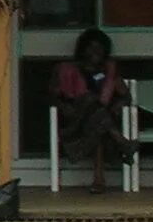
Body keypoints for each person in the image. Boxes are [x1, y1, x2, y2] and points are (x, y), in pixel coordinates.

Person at [52, 27, 135, 194]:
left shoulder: (109, 71)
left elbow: (126, 96)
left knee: (97, 121)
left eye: (99, 48)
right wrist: (64, 107)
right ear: (83, 49)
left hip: (100, 122)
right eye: (91, 47)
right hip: (76, 122)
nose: (95, 52)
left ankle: (99, 180)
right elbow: (52, 96)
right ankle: (123, 143)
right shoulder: (68, 69)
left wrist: (120, 103)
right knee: (89, 101)